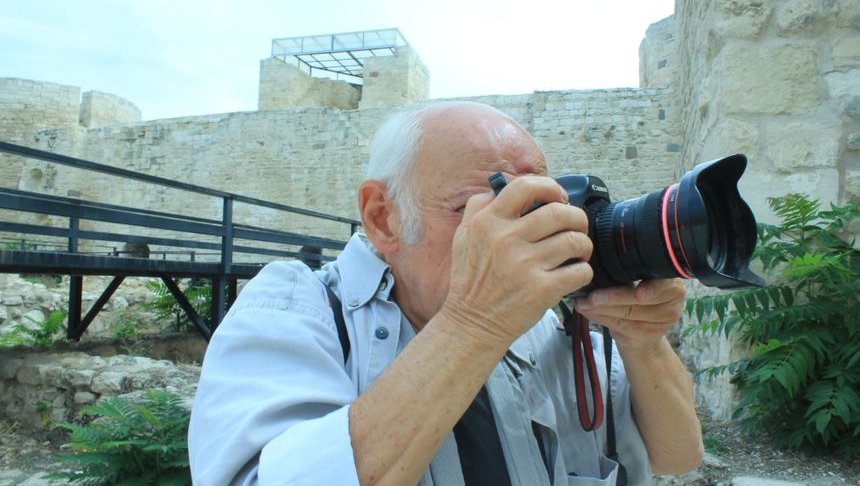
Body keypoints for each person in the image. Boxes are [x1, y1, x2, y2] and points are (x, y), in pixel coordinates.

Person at [188, 101, 704, 485]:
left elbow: (677, 456)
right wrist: (476, 323)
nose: (526, 232)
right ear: (382, 217)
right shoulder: (293, 312)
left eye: (539, 204)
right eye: (483, 206)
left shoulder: (547, 329)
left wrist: (643, 339)